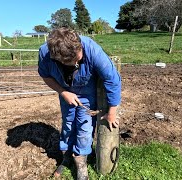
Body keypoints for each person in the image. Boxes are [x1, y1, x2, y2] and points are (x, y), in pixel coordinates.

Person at [38, 27, 121, 179]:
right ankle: (67, 156)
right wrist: (63, 92)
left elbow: (112, 80)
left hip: (87, 92)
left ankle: (81, 163)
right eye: (76, 59)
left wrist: (112, 112)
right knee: (68, 124)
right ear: (59, 59)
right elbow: (45, 76)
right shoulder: (45, 54)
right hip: (66, 91)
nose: (80, 57)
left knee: (84, 127)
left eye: (80, 53)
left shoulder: (92, 51)